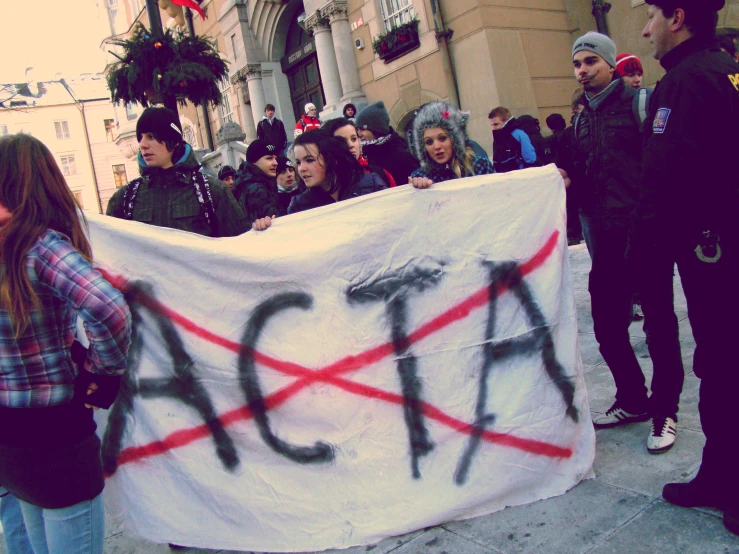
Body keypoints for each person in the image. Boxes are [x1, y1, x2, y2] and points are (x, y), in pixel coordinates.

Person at [631, 0, 739, 535]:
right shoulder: (727, 71)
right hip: (721, 247)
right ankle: (719, 475)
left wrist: (642, 252)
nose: (645, 29)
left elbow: (663, 178)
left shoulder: (686, 82)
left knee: (726, 367)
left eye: (651, 16)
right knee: (721, 370)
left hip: (713, 254)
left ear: (677, 19)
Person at [0, 133, 132, 554]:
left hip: (8, 430)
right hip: (56, 433)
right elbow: (109, 309)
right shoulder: (39, 246)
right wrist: (103, 371)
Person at [566, 31, 685, 454]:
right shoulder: (581, 119)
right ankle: (633, 398)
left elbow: (662, 165)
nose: (582, 71)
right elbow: (577, 176)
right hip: (606, 244)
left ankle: (665, 410)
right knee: (607, 328)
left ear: (610, 63)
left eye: (590, 62)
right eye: (577, 64)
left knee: (659, 327)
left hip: (646, 238)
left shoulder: (641, 103)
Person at [107, 107, 248, 237]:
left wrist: (263, 228)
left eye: (151, 137)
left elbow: (240, 247)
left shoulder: (211, 192)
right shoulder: (125, 199)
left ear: (174, 141)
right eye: (141, 137)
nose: (143, 145)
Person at [252, 130, 388, 230]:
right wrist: (267, 228)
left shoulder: (371, 185)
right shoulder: (299, 206)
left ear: (332, 160)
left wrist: (410, 189)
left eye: (309, 160)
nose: (301, 169)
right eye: (298, 162)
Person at [408, 101, 494, 189]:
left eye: (442, 138)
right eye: (429, 142)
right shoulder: (420, 176)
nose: (437, 146)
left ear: (455, 139)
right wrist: (418, 191)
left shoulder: (479, 166)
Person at [356, 101, 420, 185]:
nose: (359, 134)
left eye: (362, 129)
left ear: (376, 129)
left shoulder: (402, 157)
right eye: (357, 129)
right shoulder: (367, 156)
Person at [322, 117, 396, 187]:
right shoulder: (326, 183)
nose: (351, 145)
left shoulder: (381, 174)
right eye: (342, 141)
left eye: (354, 139)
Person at [230, 139, 282, 227]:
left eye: (275, 158)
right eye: (269, 158)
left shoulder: (245, 181)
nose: (275, 163)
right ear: (254, 161)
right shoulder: (256, 189)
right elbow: (276, 223)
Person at [488, 107, 537, 173]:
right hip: (505, 177)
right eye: (492, 125)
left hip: (520, 176)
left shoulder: (518, 134)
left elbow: (530, 158)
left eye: (496, 124)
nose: (493, 128)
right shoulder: (498, 136)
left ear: (506, 121)